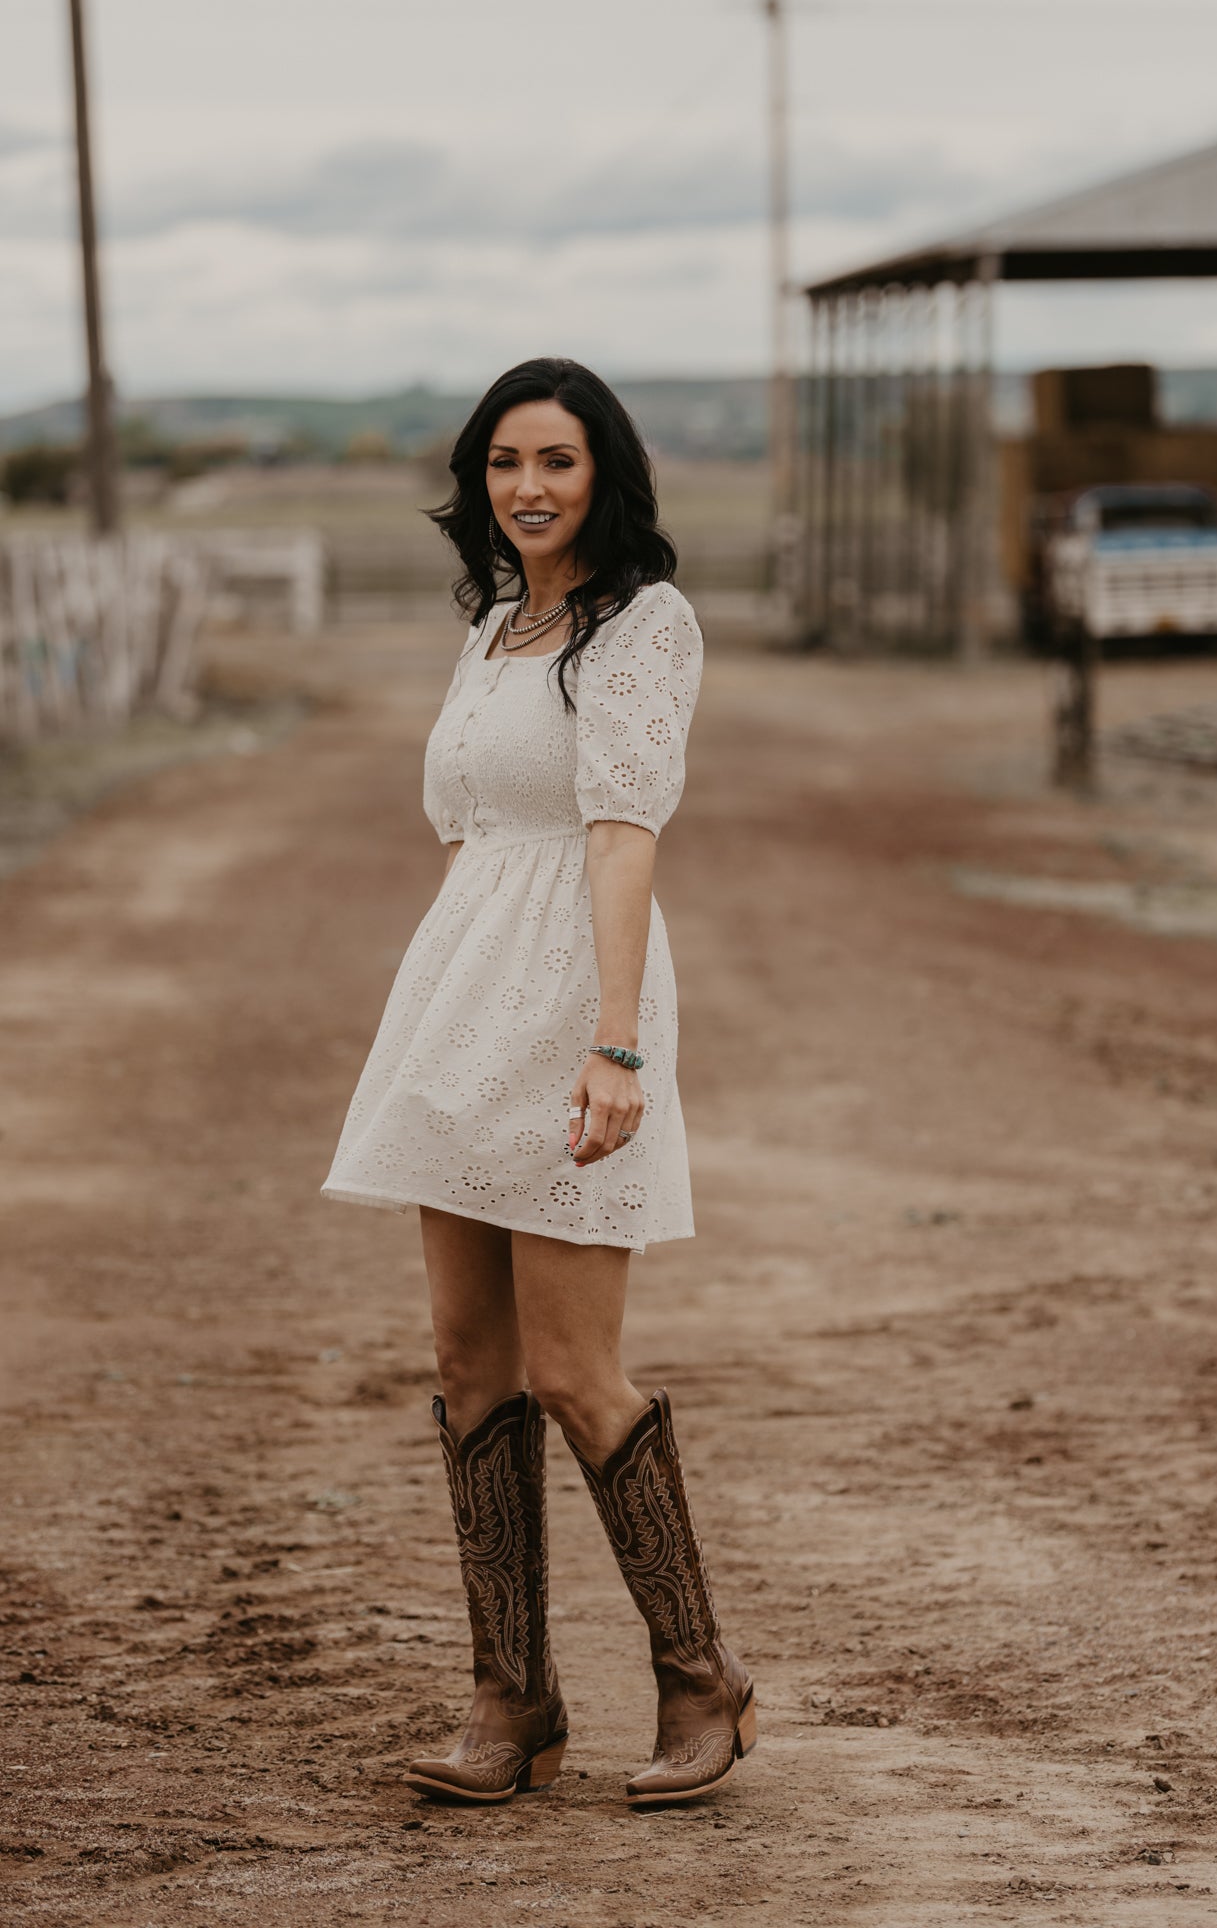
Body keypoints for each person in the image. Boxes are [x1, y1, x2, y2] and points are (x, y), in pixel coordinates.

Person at [321, 358, 754, 1810]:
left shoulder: (647, 622)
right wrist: (448, 1012)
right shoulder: (500, 622)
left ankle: (700, 1677)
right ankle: (511, 1701)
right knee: (466, 1366)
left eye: (556, 461)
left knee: (574, 1371)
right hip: (462, 1005)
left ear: (604, 471)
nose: (527, 489)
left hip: (580, 998)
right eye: (505, 462)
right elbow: (471, 836)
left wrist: (617, 1042)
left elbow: (622, 834)